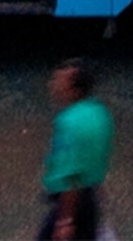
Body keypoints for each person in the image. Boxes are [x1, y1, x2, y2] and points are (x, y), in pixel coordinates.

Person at [36, 60, 112, 241]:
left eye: (60, 81)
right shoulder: (99, 112)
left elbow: (72, 175)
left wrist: (65, 220)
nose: (53, 85)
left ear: (75, 90)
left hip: (71, 203)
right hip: (89, 198)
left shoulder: (69, 121)